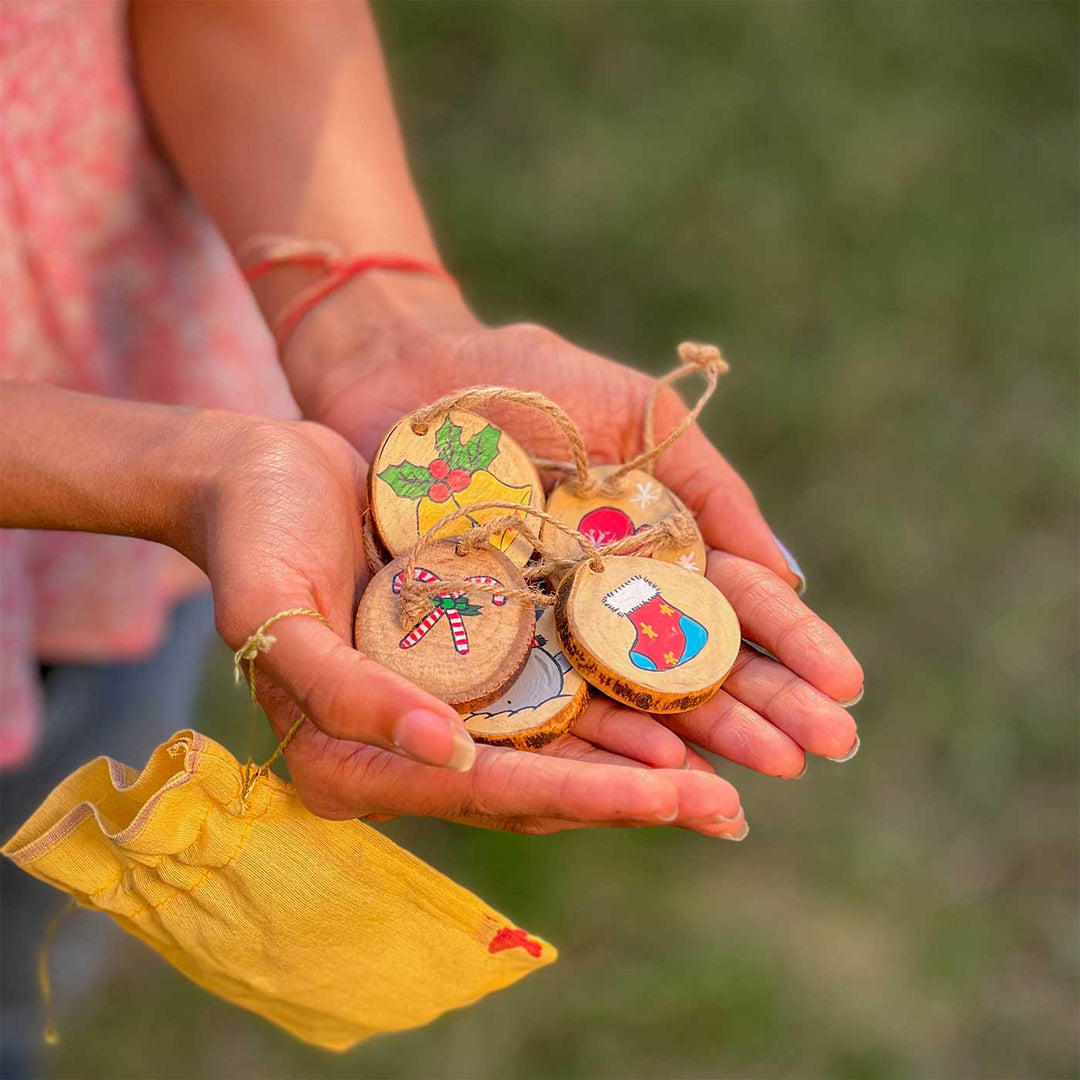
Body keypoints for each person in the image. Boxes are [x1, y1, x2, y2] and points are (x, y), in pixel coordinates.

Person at [0, 1, 863, 1071]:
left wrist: (378, 328)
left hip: (128, 447)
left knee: (22, 935)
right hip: (138, 469)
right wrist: (177, 473)